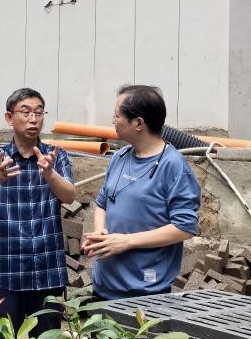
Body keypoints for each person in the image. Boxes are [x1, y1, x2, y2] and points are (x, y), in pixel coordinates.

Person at [0, 88, 76, 339]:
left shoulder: (55, 156)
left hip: (47, 272)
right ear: (9, 117)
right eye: (25, 112)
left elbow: (69, 196)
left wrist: (50, 174)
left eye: (39, 112)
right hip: (4, 272)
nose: (33, 119)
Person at [81, 85, 200, 299]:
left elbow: (184, 227)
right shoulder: (119, 157)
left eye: (116, 116)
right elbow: (102, 203)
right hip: (104, 284)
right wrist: (100, 235)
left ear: (138, 123)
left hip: (145, 292)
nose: (113, 121)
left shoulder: (173, 166)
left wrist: (127, 241)